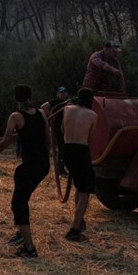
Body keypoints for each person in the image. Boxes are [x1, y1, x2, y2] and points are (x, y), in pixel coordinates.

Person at [0, 84, 50, 258]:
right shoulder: (41, 114)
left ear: (16, 98)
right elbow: (48, 140)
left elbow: (6, 141)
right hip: (43, 165)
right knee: (22, 198)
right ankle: (20, 234)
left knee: (19, 203)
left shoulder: (16, 116)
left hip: (30, 166)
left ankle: (29, 248)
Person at [62, 88, 98, 242]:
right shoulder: (93, 115)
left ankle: (79, 219)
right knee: (85, 192)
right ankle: (74, 230)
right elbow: (89, 137)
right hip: (81, 150)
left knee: (78, 186)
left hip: (66, 150)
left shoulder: (67, 109)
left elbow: (62, 129)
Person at [42, 86, 70, 176]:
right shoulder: (55, 101)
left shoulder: (67, 103)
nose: (63, 94)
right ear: (58, 94)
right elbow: (43, 106)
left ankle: (62, 166)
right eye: (61, 92)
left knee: (64, 147)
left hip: (64, 127)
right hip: (57, 127)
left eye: (64, 92)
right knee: (61, 147)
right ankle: (60, 169)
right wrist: (51, 115)